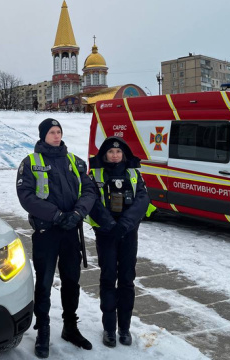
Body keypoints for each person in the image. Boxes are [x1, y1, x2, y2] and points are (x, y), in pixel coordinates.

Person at [16, 118, 96, 358]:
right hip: (46, 232)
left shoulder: (74, 161)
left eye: (59, 131)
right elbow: (26, 196)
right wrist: (56, 215)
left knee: (72, 281)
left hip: (71, 231)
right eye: (52, 132)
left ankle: (70, 326)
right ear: (43, 135)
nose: (57, 135)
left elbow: (90, 189)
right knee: (44, 282)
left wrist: (78, 213)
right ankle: (43, 330)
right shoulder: (31, 162)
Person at [86, 136, 149, 348]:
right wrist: (110, 225)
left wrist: (125, 224)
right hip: (106, 233)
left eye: (119, 152)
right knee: (108, 277)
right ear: (104, 154)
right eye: (111, 152)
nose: (115, 155)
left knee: (127, 279)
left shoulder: (134, 174)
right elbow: (92, 201)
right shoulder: (95, 174)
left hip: (128, 233)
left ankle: (124, 328)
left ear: (124, 154)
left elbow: (142, 200)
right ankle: (109, 329)